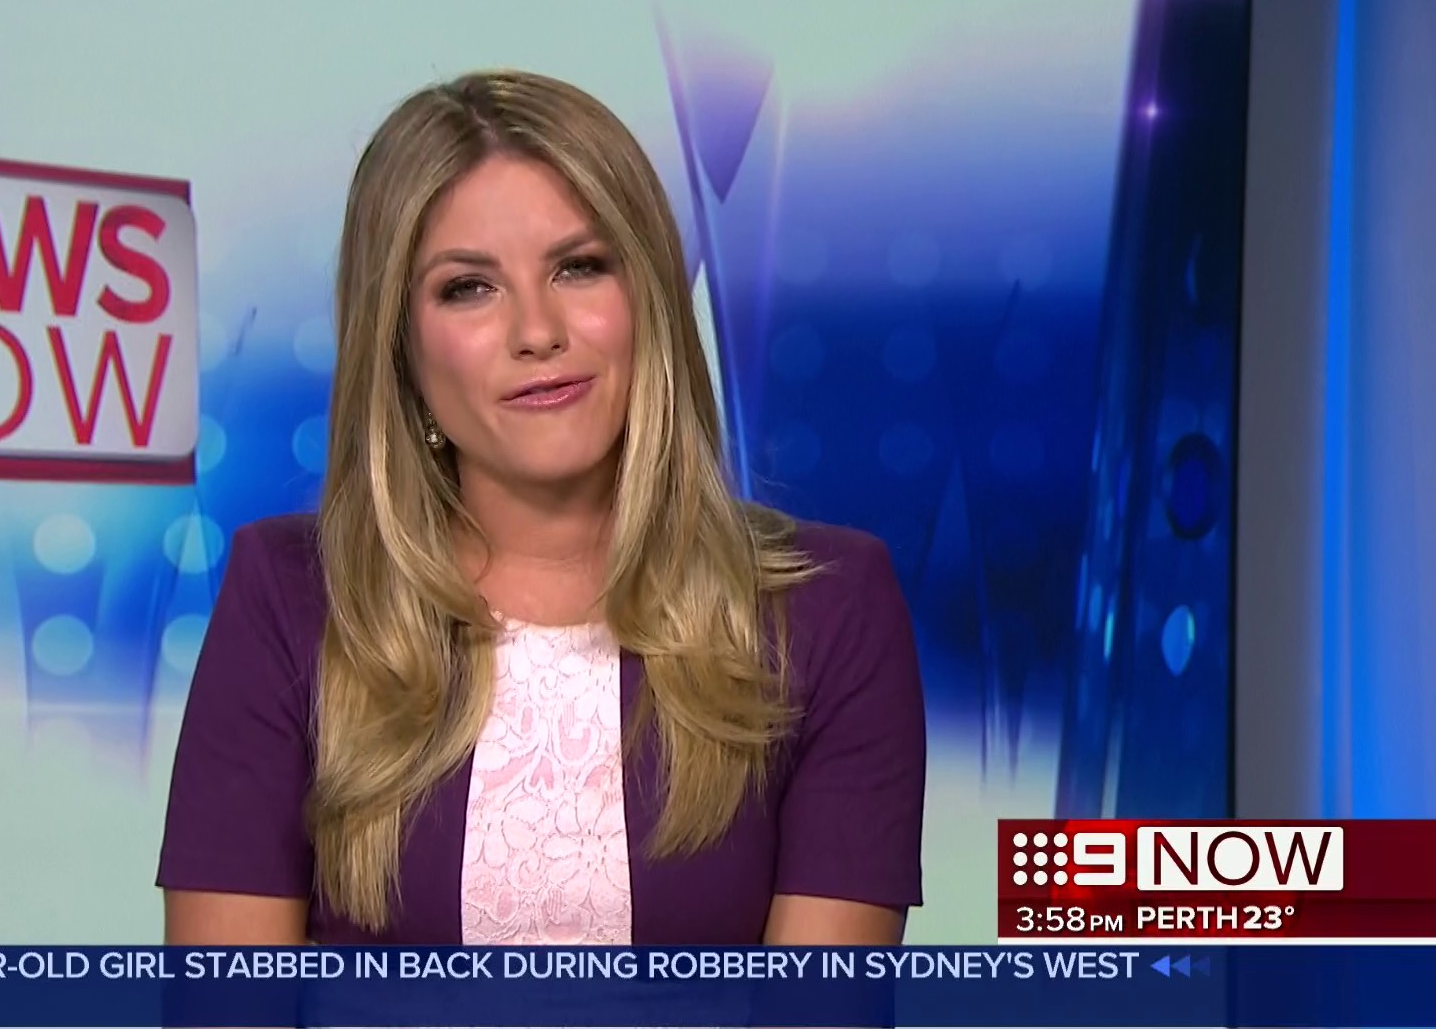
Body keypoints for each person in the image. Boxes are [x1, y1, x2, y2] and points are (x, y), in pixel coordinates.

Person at [157, 69, 926, 947]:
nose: (537, 331)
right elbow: (229, 1001)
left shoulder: (827, 610)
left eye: (579, 267)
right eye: (468, 287)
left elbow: (820, 1006)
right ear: (399, 346)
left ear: (650, 300)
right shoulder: (291, 599)